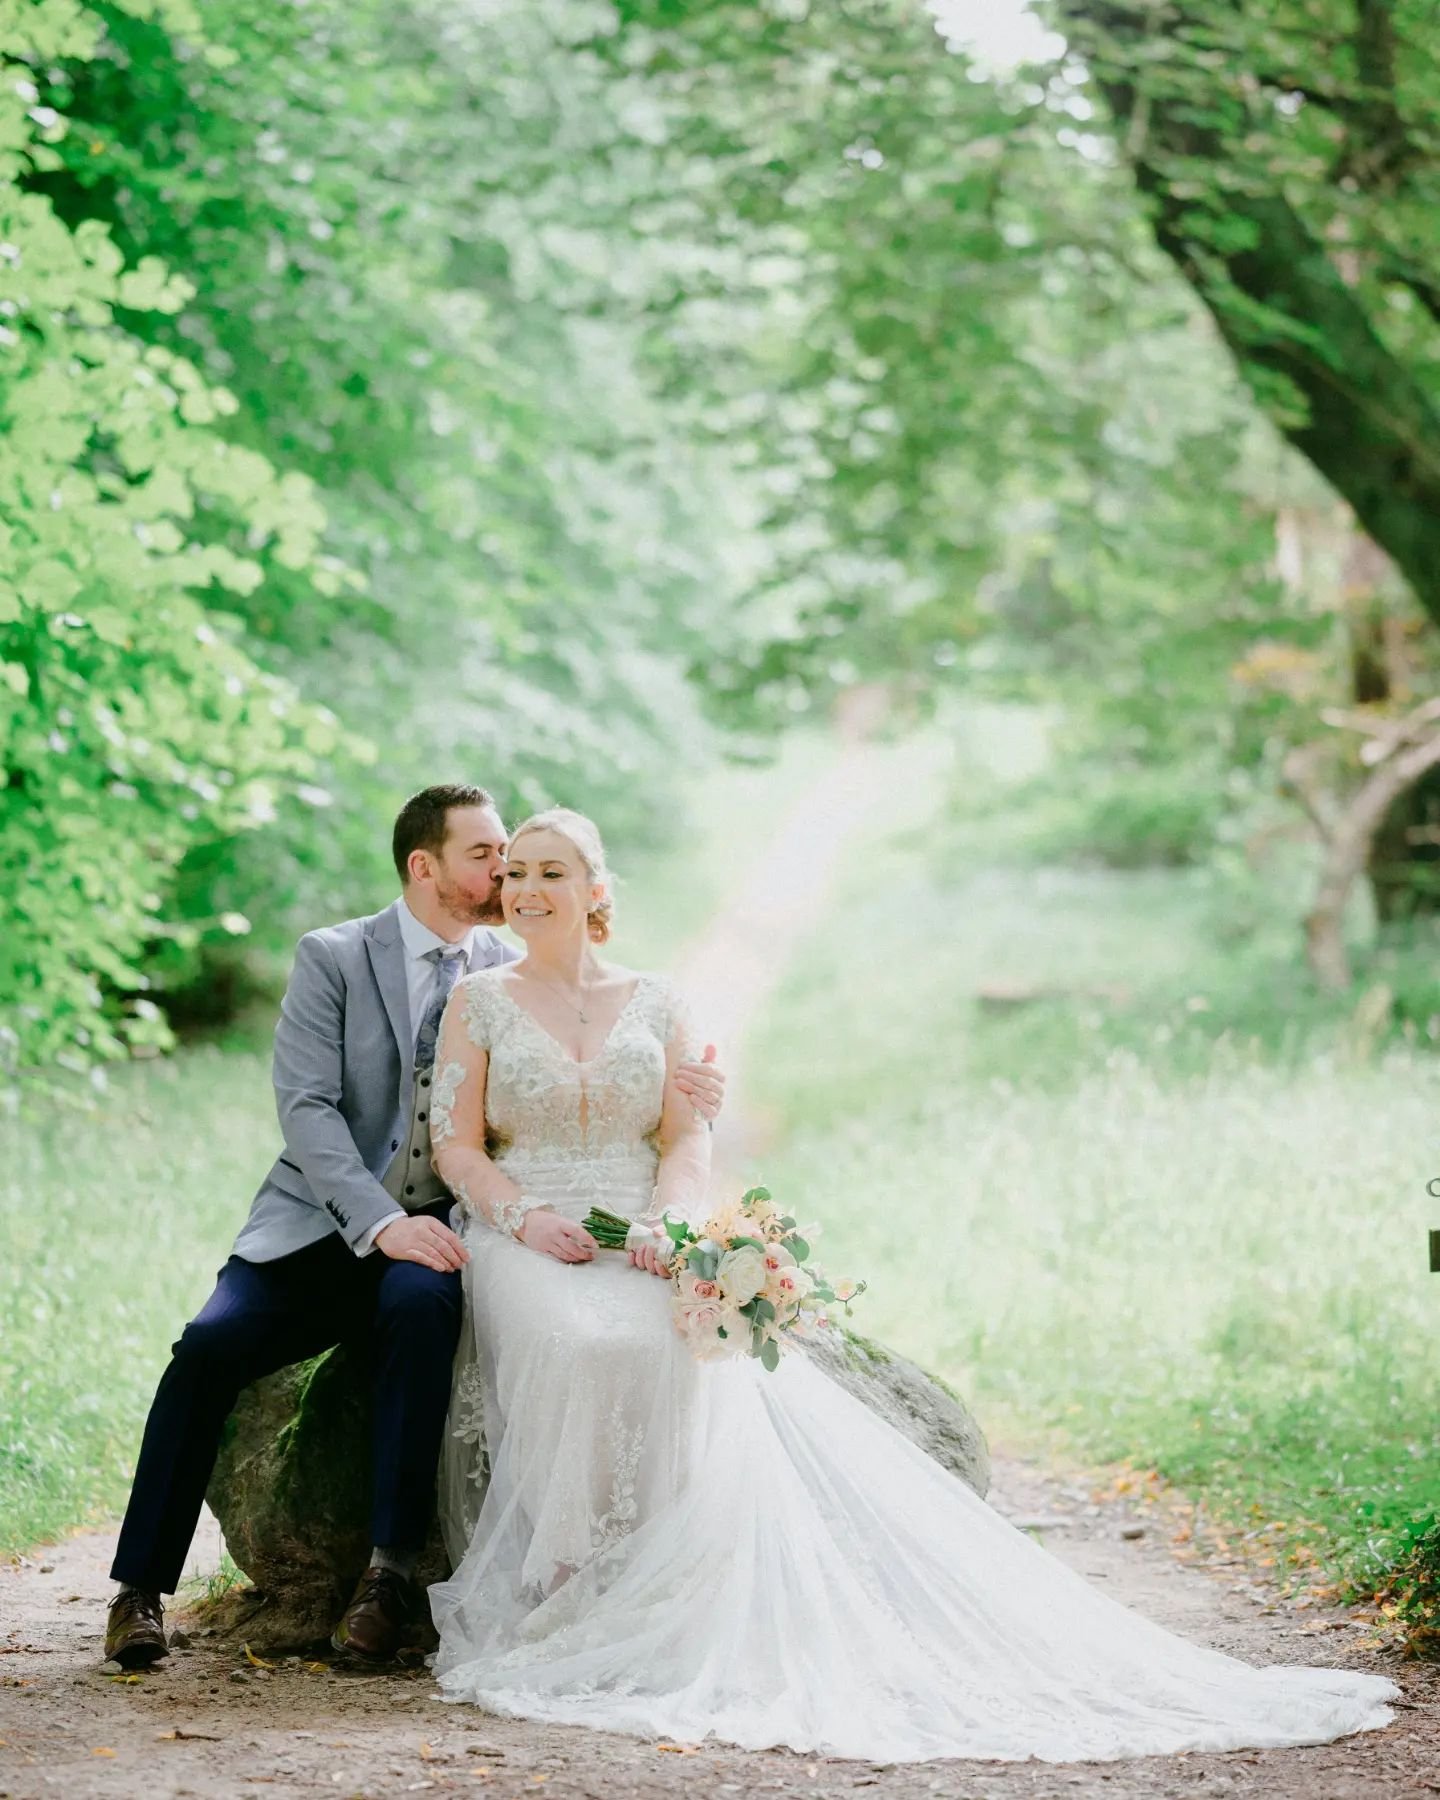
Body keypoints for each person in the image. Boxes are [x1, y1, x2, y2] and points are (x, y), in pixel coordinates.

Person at [426, 805, 1400, 1763]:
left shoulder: (663, 1001)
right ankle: (562, 1581)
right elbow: (456, 1144)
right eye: (514, 874)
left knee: (668, 1343)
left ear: (596, 891)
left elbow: (687, 1140)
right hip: (530, 1233)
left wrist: (666, 1225)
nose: (526, 890)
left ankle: (658, 1586)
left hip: (639, 1233)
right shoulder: (482, 1002)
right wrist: (524, 1218)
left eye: (551, 873)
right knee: (585, 1345)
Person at [103, 785, 725, 1671]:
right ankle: (138, 1589)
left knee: (423, 1315)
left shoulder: (519, 960)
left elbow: (611, 1064)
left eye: (517, 859)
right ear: (424, 865)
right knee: (208, 1345)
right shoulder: (335, 957)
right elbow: (308, 1110)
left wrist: (699, 1090)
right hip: (323, 1221)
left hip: (443, 1228)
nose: (507, 873)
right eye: (487, 856)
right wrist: (377, 1221)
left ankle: (388, 1575)